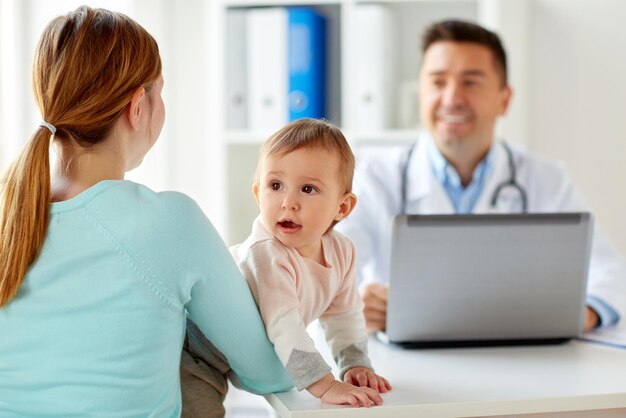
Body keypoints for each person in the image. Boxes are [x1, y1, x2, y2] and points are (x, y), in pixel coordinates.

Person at [0, 6, 291, 417]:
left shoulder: (9, 215)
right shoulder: (170, 222)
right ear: (138, 107)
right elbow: (269, 371)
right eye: (160, 91)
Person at [336, 19, 626, 333]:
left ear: (504, 99)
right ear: (420, 94)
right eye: (437, 82)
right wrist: (357, 302)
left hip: (521, 359)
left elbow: (610, 272)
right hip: (407, 365)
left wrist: (584, 313)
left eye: (470, 82)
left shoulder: (546, 179)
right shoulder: (375, 177)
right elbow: (325, 275)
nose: (451, 98)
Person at [230, 118, 392, 407]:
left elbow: (344, 315)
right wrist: (325, 385)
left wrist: (356, 364)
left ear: (342, 207)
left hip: (244, 361)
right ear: (258, 193)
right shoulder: (265, 252)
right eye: (275, 185)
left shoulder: (342, 251)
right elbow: (285, 325)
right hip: (198, 351)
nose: (288, 202)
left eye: (308, 189)